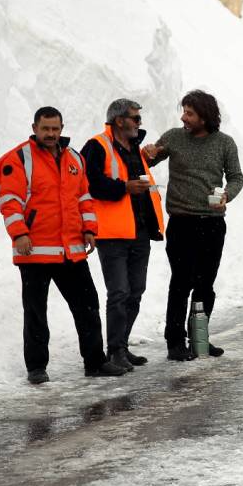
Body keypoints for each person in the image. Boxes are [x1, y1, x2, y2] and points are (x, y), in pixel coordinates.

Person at [0, 106, 126, 384]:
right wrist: (19, 234)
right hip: (34, 251)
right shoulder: (19, 159)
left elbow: (83, 198)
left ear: (62, 128)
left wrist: (89, 229)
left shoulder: (74, 158)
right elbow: (9, 201)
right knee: (36, 312)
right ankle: (37, 367)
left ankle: (95, 362)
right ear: (34, 128)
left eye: (55, 129)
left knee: (88, 306)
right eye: (45, 128)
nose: (51, 134)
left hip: (71, 250)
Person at [143, 90, 243, 361]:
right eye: (184, 111)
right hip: (181, 223)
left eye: (190, 113)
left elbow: (236, 178)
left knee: (205, 284)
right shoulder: (175, 137)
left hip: (212, 224)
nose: (183, 117)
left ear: (205, 117)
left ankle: (199, 338)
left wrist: (226, 196)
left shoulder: (225, 143)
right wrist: (149, 152)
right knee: (181, 282)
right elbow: (149, 159)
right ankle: (174, 342)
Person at [80, 99, 165, 372]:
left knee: (135, 291)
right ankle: (114, 350)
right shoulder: (97, 145)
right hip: (113, 233)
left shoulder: (135, 147)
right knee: (119, 292)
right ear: (119, 120)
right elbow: (88, 183)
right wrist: (124, 188)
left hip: (139, 231)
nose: (139, 123)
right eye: (135, 119)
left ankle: (122, 346)